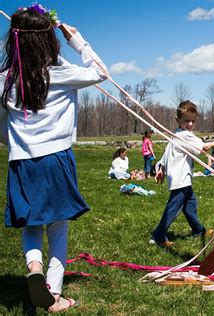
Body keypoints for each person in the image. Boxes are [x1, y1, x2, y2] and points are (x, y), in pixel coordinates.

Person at [0, 6, 108, 312]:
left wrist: (12, 141)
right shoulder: (61, 73)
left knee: (31, 225)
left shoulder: (5, 79)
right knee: (58, 228)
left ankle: (34, 267)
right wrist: (75, 39)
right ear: (48, 40)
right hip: (56, 160)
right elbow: (101, 72)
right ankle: (55, 294)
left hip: (21, 162)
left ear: (14, 41)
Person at [150, 100, 214, 247]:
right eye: (186, 120)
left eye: (192, 121)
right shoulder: (185, 135)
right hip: (180, 178)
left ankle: (198, 229)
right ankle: (158, 235)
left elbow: (167, 153)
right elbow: (204, 147)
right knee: (173, 207)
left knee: (190, 204)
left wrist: (161, 168)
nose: (189, 124)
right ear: (177, 120)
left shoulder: (176, 134)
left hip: (182, 178)